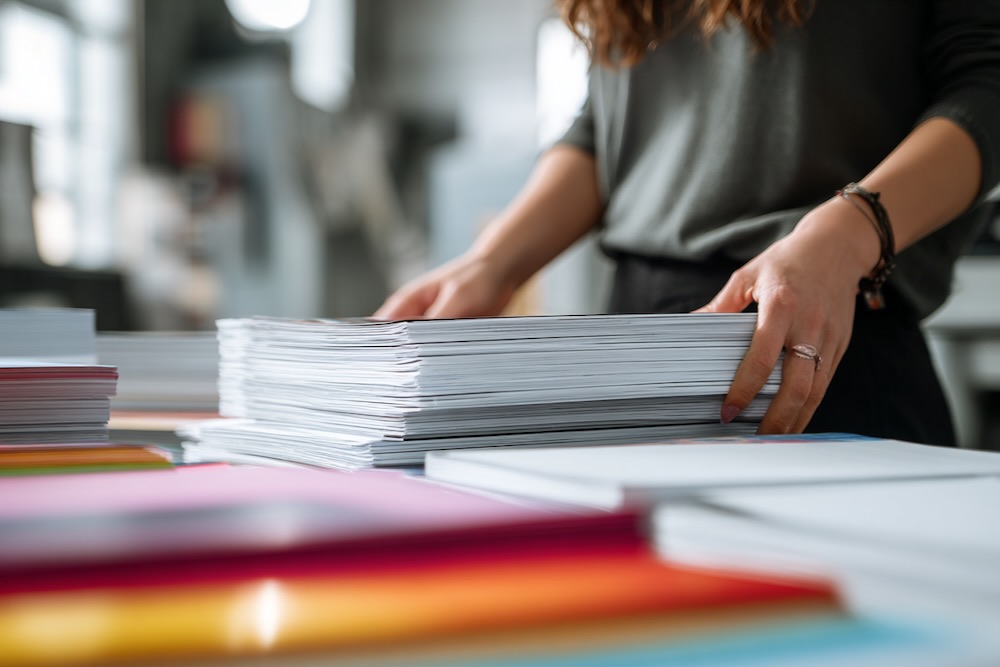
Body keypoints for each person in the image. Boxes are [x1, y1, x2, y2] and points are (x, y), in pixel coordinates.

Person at [375, 0, 1000, 446]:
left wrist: (847, 234)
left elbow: (986, 82)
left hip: (814, 339)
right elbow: (612, 125)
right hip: (634, 343)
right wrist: (493, 262)